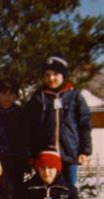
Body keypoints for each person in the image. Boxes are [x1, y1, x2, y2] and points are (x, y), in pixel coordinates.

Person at [23, 53, 92, 185]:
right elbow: (27, 128)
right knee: (45, 193)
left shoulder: (74, 96)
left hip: (69, 154)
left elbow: (84, 124)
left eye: (55, 74)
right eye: (47, 75)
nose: (51, 78)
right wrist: (29, 154)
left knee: (68, 191)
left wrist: (84, 151)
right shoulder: (38, 98)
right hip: (44, 155)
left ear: (63, 75)